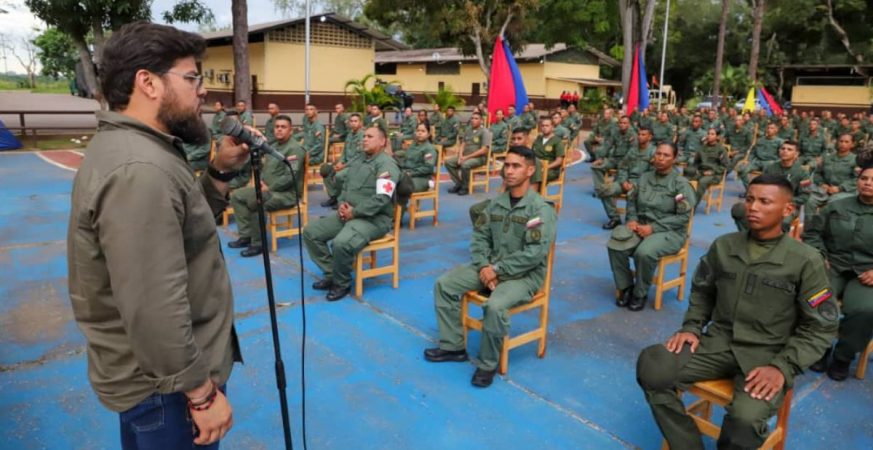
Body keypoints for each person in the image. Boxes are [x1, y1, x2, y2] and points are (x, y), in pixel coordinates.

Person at [67, 22, 247, 449]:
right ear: (147, 82)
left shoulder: (141, 150)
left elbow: (182, 232)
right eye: (191, 78)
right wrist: (202, 397)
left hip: (157, 380)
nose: (201, 89)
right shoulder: (140, 170)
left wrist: (219, 173)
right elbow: (153, 307)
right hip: (167, 389)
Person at [636, 173, 838, 450]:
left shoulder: (805, 260)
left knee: (744, 424)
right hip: (717, 343)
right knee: (653, 366)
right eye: (750, 199)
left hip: (766, 355)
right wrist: (692, 326)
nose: (753, 207)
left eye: (765, 201)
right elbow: (703, 292)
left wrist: (783, 367)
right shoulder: (725, 246)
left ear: (788, 210)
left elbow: (820, 326)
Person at [425, 146, 557, 388]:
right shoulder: (496, 203)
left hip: (524, 276)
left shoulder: (540, 209)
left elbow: (534, 254)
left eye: (516, 166)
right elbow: (479, 237)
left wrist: (496, 270)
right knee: (444, 284)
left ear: (530, 170)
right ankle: (453, 346)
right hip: (490, 267)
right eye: (506, 165)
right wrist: (485, 266)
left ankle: (487, 364)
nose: (508, 170)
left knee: (495, 306)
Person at [302, 126, 400, 301]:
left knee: (341, 243)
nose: (364, 139)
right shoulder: (359, 159)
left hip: (374, 219)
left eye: (370, 136)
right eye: (364, 136)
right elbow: (345, 185)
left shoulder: (386, 165)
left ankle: (342, 284)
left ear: (382, 141)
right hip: (349, 213)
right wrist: (341, 204)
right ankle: (332, 273)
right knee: (311, 232)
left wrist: (354, 212)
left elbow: (382, 198)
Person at [803, 162, 873, 381]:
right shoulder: (837, 206)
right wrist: (820, 255)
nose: (868, 184)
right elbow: (812, 234)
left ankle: (843, 356)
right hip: (834, 265)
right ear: (857, 181)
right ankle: (821, 348)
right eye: (864, 179)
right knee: (818, 298)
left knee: (865, 310)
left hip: (866, 274)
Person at [607, 143, 695, 311]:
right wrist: (631, 219)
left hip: (670, 232)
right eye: (658, 154)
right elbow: (632, 201)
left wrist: (653, 228)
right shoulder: (644, 177)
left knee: (645, 253)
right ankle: (626, 287)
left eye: (666, 155)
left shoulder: (680, 184)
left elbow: (683, 217)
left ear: (674, 159)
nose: (661, 158)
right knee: (615, 244)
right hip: (641, 226)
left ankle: (640, 293)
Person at [227, 115, 305, 256]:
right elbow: (265, 168)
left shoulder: (295, 149)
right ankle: (246, 236)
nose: (279, 130)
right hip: (267, 188)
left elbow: (289, 177)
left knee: (256, 201)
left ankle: (258, 244)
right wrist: (261, 181)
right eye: (277, 127)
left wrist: (269, 187)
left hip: (286, 194)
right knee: (237, 196)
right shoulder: (272, 146)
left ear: (291, 131)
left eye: (283, 127)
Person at [732, 140, 810, 231]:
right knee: (739, 210)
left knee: (783, 221)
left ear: (796, 154)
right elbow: (761, 185)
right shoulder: (771, 168)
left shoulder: (802, 173)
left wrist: (786, 201)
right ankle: (751, 237)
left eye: (789, 149)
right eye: (783, 148)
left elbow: (805, 196)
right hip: (766, 202)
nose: (785, 151)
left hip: (787, 206)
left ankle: (776, 243)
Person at [597, 126, 655, 230]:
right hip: (626, 181)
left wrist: (635, 184)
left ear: (650, 137)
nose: (640, 137)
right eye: (639, 134)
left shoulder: (653, 152)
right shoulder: (632, 150)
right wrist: (623, 181)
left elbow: (652, 174)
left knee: (632, 193)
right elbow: (622, 167)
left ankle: (630, 221)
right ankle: (615, 218)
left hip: (642, 185)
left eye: (643, 135)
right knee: (603, 189)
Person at [804, 134, 858, 215]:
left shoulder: (856, 160)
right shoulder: (828, 158)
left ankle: (826, 227)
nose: (843, 144)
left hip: (845, 192)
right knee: (809, 201)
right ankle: (810, 226)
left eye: (846, 142)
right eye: (841, 141)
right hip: (825, 190)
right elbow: (818, 173)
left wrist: (840, 188)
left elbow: (857, 179)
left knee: (832, 203)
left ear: (852, 144)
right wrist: (822, 184)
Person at [321, 113, 365, 208]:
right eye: (351, 121)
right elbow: (344, 152)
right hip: (344, 162)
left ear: (360, 123)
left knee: (339, 176)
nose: (353, 123)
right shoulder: (349, 134)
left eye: (355, 121)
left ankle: (340, 200)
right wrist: (340, 162)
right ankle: (334, 196)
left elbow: (359, 156)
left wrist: (344, 166)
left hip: (356, 165)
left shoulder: (362, 136)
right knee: (325, 170)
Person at [445, 112, 491, 195]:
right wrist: (460, 156)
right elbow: (463, 144)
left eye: (476, 118)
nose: (473, 120)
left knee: (465, 164)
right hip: (465, 156)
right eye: (472, 118)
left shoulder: (485, 132)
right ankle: (459, 183)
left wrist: (466, 158)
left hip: (479, 158)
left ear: (481, 120)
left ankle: (465, 187)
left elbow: (484, 150)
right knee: (448, 162)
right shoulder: (468, 129)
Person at [685, 128, 728, 208]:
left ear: (717, 137)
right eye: (708, 133)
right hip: (701, 172)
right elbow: (696, 162)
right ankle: (685, 202)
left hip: (714, 174)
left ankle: (693, 206)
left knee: (702, 182)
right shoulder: (702, 148)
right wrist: (696, 170)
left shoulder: (721, 149)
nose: (709, 135)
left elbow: (725, 166)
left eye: (712, 134)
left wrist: (712, 172)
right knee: (688, 179)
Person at [592, 116, 636, 193]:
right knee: (596, 166)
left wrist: (624, 162)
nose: (622, 124)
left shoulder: (632, 135)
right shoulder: (615, 133)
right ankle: (600, 189)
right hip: (614, 159)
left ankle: (609, 190)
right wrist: (601, 158)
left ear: (628, 124)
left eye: (624, 123)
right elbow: (607, 145)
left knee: (620, 176)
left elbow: (632, 152)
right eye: (621, 123)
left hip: (625, 161)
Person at [737, 123, 784, 192]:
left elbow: (782, 156)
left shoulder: (780, 142)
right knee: (742, 170)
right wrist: (748, 160)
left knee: (765, 176)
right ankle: (750, 191)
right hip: (757, 161)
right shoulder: (760, 140)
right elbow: (753, 152)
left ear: (776, 130)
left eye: (772, 128)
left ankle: (762, 193)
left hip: (770, 162)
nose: (769, 130)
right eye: (768, 128)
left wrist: (776, 163)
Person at [399, 122, 438, 195]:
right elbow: (406, 160)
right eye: (418, 130)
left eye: (423, 131)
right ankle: (400, 206)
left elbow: (428, 168)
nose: (420, 133)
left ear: (428, 134)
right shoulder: (413, 145)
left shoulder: (429, 149)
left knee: (400, 187)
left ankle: (402, 206)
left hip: (422, 178)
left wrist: (410, 173)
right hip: (407, 174)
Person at [531, 116, 565, 187]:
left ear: (552, 127)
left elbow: (559, 161)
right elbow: (531, 154)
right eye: (542, 126)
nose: (544, 127)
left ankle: (535, 195)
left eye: (547, 125)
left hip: (551, 169)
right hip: (536, 166)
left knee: (537, 175)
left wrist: (546, 167)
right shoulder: (538, 139)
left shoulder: (557, 141)